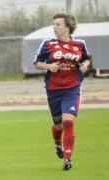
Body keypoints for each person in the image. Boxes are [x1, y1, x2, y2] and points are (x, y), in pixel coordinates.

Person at [33, 12, 91, 170]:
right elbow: (36, 63)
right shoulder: (48, 43)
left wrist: (85, 65)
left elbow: (86, 58)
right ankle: (58, 144)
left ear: (67, 27)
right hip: (54, 90)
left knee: (68, 122)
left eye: (58, 24)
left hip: (72, 88)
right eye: (54, 24)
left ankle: (67, 159)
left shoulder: (79, 44)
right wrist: (49, 66)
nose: (54, 27)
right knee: (58, 126)